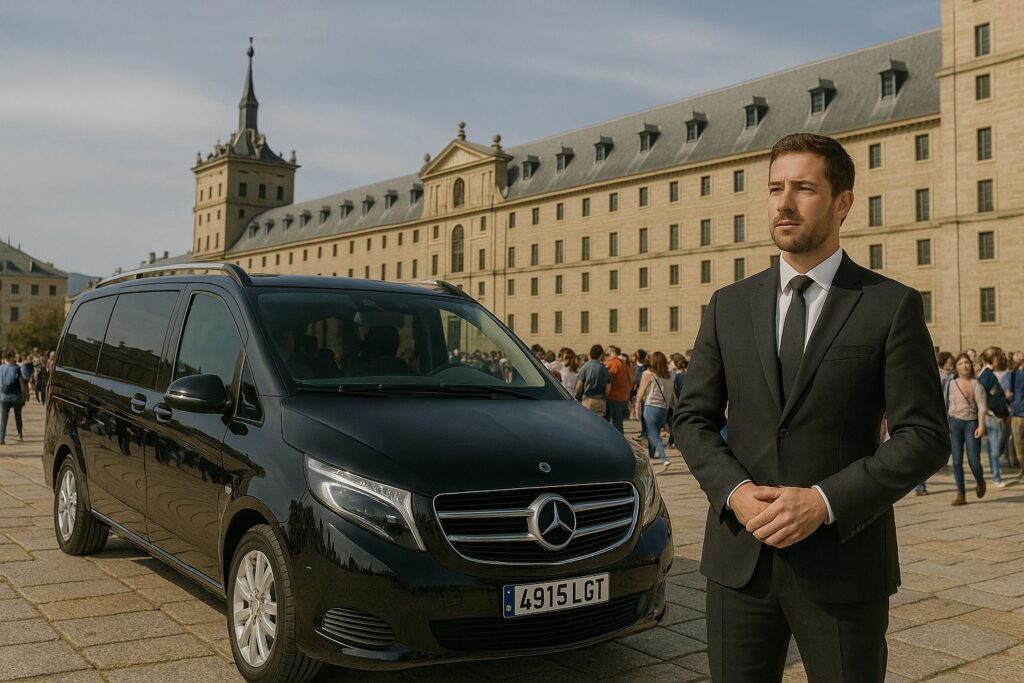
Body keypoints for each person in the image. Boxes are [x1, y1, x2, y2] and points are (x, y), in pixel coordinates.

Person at [672, 133, 948, 683]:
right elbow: (692, 417)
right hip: (740, 562)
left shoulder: (890, 305)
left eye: (803, 188)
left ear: (843, 202)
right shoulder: (728, 305)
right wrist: (735, 492)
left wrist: (823, 502)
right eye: (775, 188)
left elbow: (923, 435)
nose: (784, 202)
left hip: (842, 565)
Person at [944, 353, 988, 504]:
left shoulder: (976, 384)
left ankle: (980, 481)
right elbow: (944, 404)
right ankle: (961, 494)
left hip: (971, 423)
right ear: (956, 367)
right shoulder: (950, 383)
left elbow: (982, 407)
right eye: (961, 363)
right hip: (954, 423)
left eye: (967, 363)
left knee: (974, 461)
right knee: (956, 461)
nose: (964, 366)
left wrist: (981, 425)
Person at [634, 351, 675, 471]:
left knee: (653, 434)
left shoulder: (647, 374)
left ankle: (664, 458)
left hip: (651, 407)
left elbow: (640, 393)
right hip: (664, 409)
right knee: (654, 430)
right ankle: (651, 454)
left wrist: (637, 407)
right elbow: (673, 396)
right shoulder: (669, 376)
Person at [977, 347, 1008, 486]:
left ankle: (995, 474)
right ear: (993, 359)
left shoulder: (986, 374)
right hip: (991, 416)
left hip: (990, 415)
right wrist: (999, 412)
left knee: (992, 448)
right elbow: (986, 397)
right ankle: (996, 477)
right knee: (994, 449)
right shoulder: (987, 375)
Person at [574, 344, 609, 417]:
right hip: (600, 401)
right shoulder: (604, 369)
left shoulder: (585, 367)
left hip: (587, 401)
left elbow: (578, 387)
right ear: (601, 355)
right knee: (599, 422)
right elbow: (608, 389)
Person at [0, 352, 27, 445]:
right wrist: (24, 394)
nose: (15, 359)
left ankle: (1, 438)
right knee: (18, 417)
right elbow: (21, 383)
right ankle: (19, 434)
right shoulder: (17, 368)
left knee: (4, 418)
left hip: (4, 397)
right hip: (16, 397)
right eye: (13, 357)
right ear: (10, 358)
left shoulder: (1, 368)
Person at [604, 345, 631, 433]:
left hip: (613, 396)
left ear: (612, 352)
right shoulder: (623, 364)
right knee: (618, 422)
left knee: (608, 423)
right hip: (623, 396)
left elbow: (607, 378)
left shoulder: (612, 363)